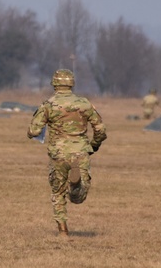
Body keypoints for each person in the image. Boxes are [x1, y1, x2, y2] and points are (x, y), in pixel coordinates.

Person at [27, 69, 107, 235]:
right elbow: (100, 129)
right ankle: (76, 185)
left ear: (55, 83)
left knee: (57, 191)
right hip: (80, 152)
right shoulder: (84, 103)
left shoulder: (48, 105)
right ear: (71, 83)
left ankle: (62, 230)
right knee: (78, 198)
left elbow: (34, 131)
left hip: (59, 153)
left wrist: (32, 132)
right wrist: (94, 145)